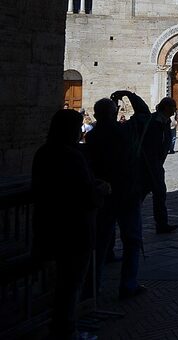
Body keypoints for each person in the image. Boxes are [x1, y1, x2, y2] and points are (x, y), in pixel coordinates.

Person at [32, 109, 106, 337]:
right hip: (75, 229)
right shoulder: (72, 155)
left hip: (49, 225)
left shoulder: (42, 152)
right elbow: (86, 192)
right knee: (71, 283)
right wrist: (101, 189)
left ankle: (58, 326)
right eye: (76, 128)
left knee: (57, 282)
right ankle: (67, 330)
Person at [84, 96, 145, 299]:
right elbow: (143, 114)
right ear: (114, 112)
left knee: (99, 242)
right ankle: (128, 285)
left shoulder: (91, 138)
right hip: (126, 194)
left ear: (95, 114)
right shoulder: (122, 133)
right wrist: (130, 94)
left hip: (102, 195)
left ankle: (92, 288)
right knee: (132, 240)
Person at [142, 96, 178, 233]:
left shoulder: (165, 121)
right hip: (149, 163)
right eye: (173, 107)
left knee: (159, 193)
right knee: (145, 192)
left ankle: (162, 223)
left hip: (157, 163)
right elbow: (151, 143)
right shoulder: (154, 121)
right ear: (166, 107)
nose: (175, 110)